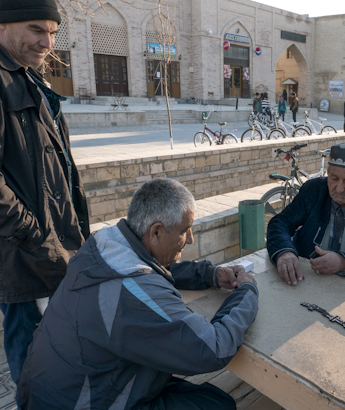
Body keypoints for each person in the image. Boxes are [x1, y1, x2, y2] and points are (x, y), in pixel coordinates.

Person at [18, 178, 259, 409]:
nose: (190, 240)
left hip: (50, 390)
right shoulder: (135, 291)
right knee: (218, 404)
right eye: (185, 230)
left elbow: (150, 264)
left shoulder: (103, 247)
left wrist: (210, 274)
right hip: (84, 401)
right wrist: (246, 291)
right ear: (155, 232)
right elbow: (212, 348)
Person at [0, 0, 89, 392]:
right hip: (23, 256)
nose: (46, 41)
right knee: (32, 358)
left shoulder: (30, 77)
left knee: (58, 351)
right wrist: (35, 235)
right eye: (36, 30)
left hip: (54, 244)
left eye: (53, 32)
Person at [267, 143, 345, 286]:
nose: (339, 189)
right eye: (334, 179)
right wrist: (284, 252)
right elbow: (280, 222)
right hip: (305, 280)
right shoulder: (313, 190)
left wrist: (344, 263)